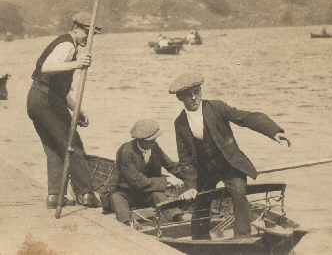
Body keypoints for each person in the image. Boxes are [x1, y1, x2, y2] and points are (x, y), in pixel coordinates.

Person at [169, 73, 291, 239]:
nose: (194, 97)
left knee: (238, 192)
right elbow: (185, 158)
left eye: (197, 92)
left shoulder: (217, 107)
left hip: (230, 165)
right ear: (180, 98)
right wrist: (191, 186)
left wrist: (273, 131)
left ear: (201, 91)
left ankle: (242, 237)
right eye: (188, 95)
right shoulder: (180, 123)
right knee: (201, 201)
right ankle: (199, 240)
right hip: (205, 170)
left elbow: (246, 118)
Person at [26, 12, 102, 209]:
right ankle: (86, 194)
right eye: (86, 31)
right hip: (46, 101)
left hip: (36, 99)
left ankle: (55, 196)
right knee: (72, 143)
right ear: (75, 28)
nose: (88, 36)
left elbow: (58, 88)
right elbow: (47, 67)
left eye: (91, 33)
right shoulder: (68, 45)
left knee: (53, 149)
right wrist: (78, 63)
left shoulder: (70, 46)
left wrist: (78, 109)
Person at [100, 119, 196, 227]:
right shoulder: (126, 152)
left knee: (158, 195)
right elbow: (138, 182)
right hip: (125, 191)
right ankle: (128, 223)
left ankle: (178, 216)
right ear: (139, 140)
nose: (153, 142)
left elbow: (171, 166)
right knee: (116, 198)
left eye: (154, 139)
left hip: (144, 193)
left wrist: (190, 177)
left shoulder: (154, 147)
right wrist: (167, 181)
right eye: (150, 141)